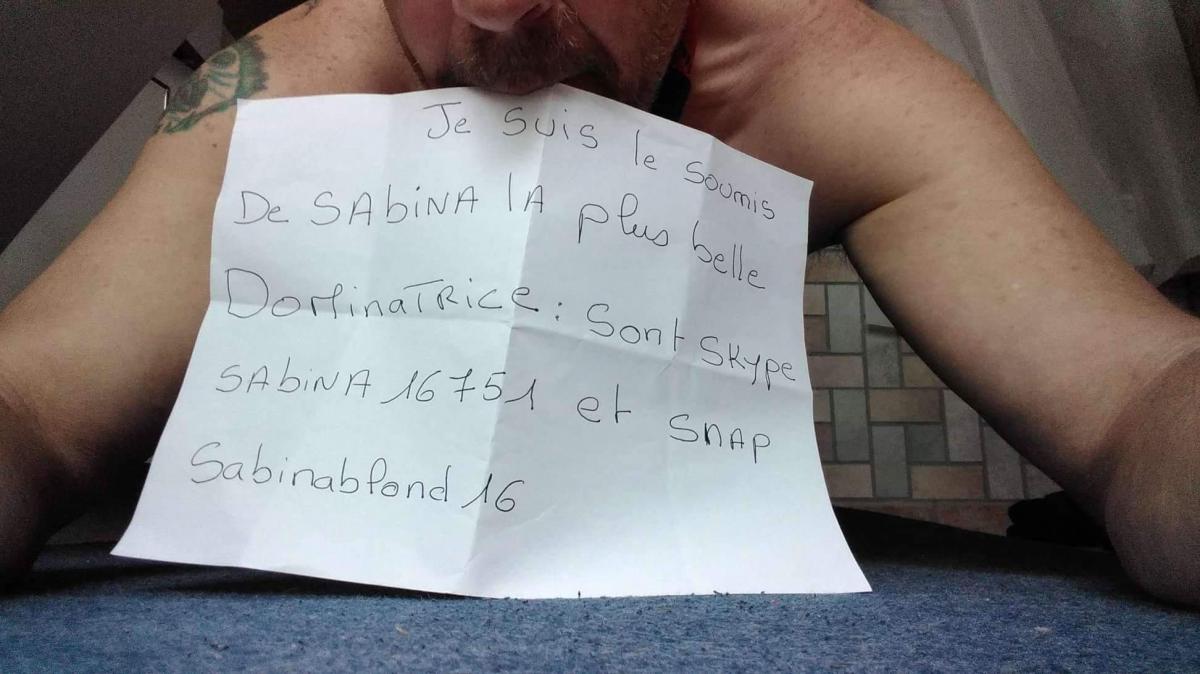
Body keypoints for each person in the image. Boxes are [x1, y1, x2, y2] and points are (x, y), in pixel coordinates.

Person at [1, 0, 1196, 606]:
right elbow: (32, 397)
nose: (495, 14)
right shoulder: (294, 80)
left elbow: (1137, 389)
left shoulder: (820, 75)